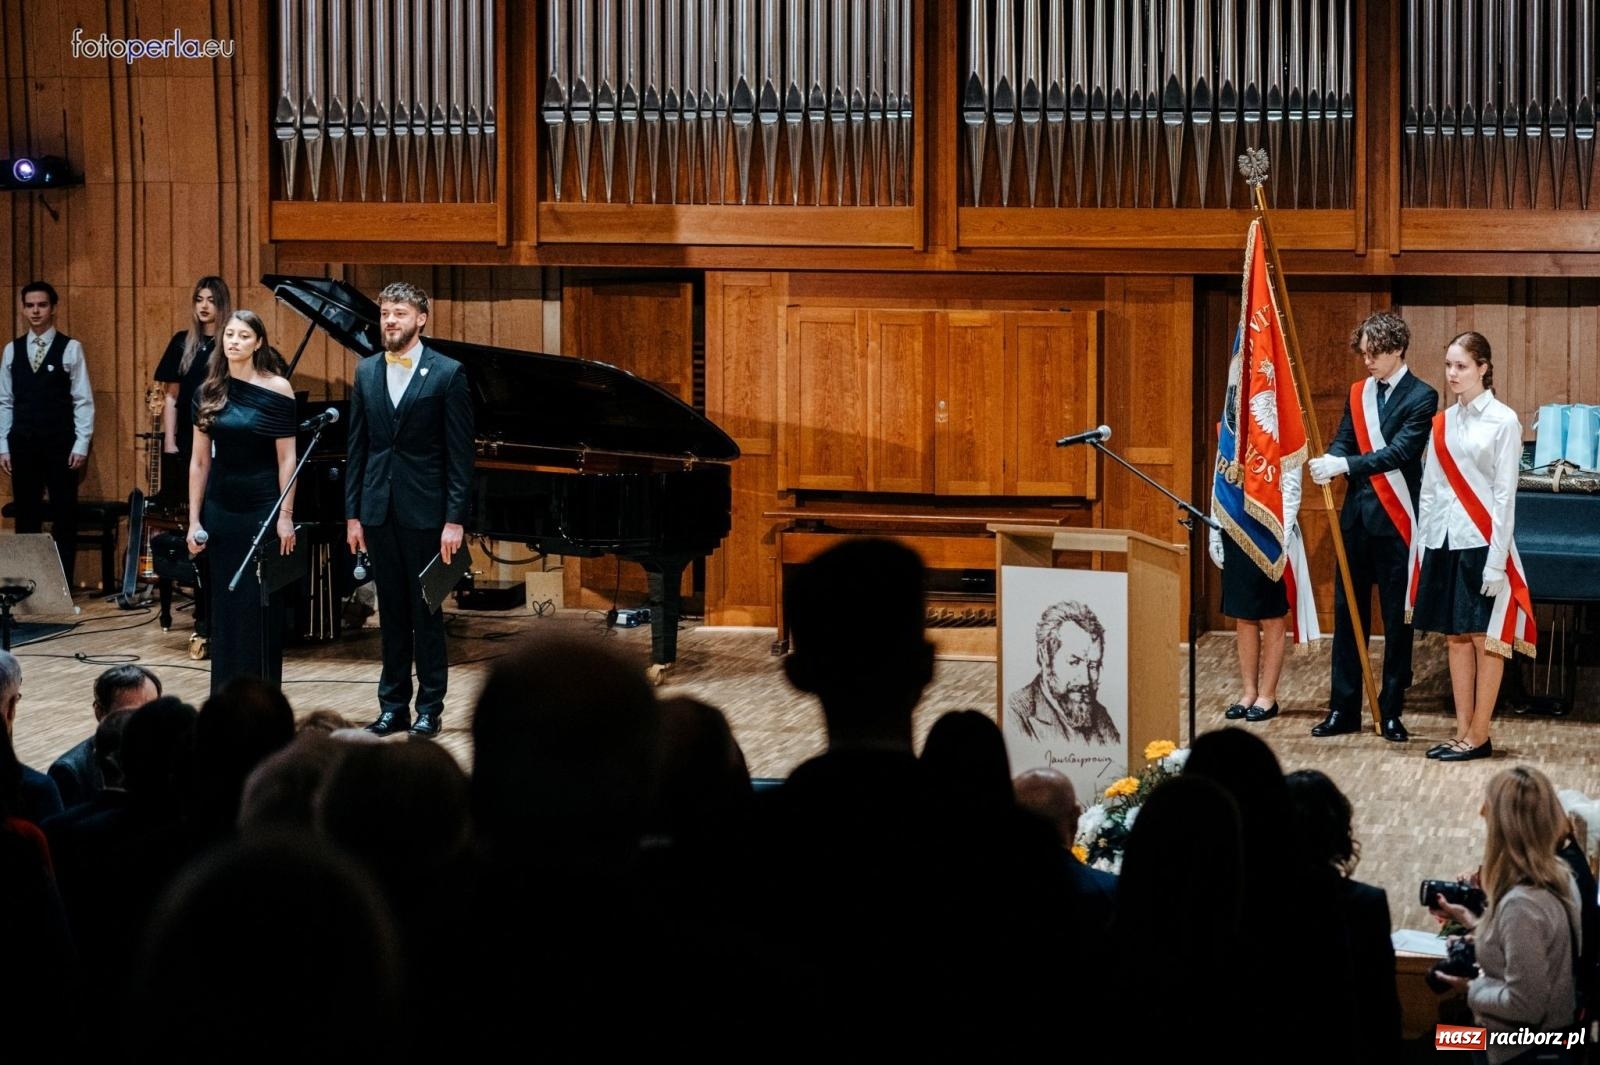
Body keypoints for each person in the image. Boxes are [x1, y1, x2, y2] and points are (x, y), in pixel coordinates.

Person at [345, 281, 474, 738]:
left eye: (399, 313)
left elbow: (460, 457)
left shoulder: (447, 374)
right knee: (392, 615)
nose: (390, 321)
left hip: (428, 515)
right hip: (378, 510)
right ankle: (392, 706)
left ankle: (429, 709)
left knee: (427, 615)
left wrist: (454, 520)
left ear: (421, 318)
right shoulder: (365, 373)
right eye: (384, 314)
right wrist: (353, 514)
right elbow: (357, 448)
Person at [1306, 311, 1438, 743]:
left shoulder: (1423, 396)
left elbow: (1400, 452)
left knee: (1398, 622)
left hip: (1398, 521)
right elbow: (1347, 437)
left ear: (1398, 349)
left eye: (1374, 353)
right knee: (1348, 617)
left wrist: (1345, 463)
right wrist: (1330, 458)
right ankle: (1343, 708)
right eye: (1363, 353)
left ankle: (1391, 710)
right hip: (1357, 518)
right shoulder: (1358, 392)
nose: (1367, 361)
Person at [1410, 332, 1532, 763]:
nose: (1452, 374)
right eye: (1448, 365)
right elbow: (1431, 488)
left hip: (1482, 542)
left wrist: (1496, 563)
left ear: (1483, 367)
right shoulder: (1443, 421)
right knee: (1455, 638)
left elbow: (1504, 497)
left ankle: (1481, 734)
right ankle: (1462, 731)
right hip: (1444, 539)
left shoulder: (1503, 420)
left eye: (1461, 366)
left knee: (1486, 640)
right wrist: (1423, 547)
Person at [1430, 767, 1583, 1064]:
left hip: (1520, 1045)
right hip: (1556, 1037)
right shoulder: (1561, 874)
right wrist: (1472, 921)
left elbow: (1525, 1005)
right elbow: (1529, 945)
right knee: (1438, 1042)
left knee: (1435, 1044)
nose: (1480, 813)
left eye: (1488, 810)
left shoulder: (1521, 905)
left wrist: (1471, 989)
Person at [185, 311, 299, 698]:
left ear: (259, 343)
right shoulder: (207, 392)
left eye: (243, 335)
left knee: (258, 609)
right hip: (222, 509)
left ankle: (263, 700)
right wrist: (193, 520)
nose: (233, 341)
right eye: (229, 335)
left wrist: (285, 517)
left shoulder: (277, 388)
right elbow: (200, 461)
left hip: (262, 508)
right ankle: (226, 699)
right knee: (227, 608)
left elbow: (287, 459)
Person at [1209, 333, 1313, 725]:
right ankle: (1247, 690)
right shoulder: (1232, 424)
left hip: (1269, 530)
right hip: (1236, 525)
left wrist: (1281, 531)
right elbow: (1220, 475)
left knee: (1270, 615)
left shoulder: (1280, 419)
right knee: (1242, 614)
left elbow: (1291, 481)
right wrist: (1216, 525)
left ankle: (1268, 695)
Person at [1285, 769, 1402, 1058]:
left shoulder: (1252, 901)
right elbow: (1383, 1008)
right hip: (1347, 1046)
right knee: (1456, 1040)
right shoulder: (1367, 903)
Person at [0, 281, 95, 583]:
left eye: (42, 305)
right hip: (23, 443)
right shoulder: (11, 350)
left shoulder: (70, 348)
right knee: (27, 517)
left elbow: (83, 399)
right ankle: (29, 589)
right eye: (30, 305)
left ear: (53, 308)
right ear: (23, 309)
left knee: (64, 515)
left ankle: (63, 587)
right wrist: (3, 445)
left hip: (60, 445)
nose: (36, 311)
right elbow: (5, 401)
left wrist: (81, 443)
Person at [155, 278, 230, 643]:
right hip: (188, 440)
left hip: (223, 438)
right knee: (192, 520)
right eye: (199, 299)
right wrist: (170, 442)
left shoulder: (231, 342)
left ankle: (216, 609)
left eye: (211, 300)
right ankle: (202, 608)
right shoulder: (182, 343)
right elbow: (171, 398)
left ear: (222, 304)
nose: (204, 306)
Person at [1005, 600, 1119, 745]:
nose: (1085, 680)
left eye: (1093, 665)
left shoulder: (1101, 717)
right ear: (1045, 656)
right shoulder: (1016, 712)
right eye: (1074, 662)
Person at [48, 665, 162, 808]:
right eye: (130, 715)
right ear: (100, 712)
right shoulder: (70, 771)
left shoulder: (168, 755)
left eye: (151, 710)